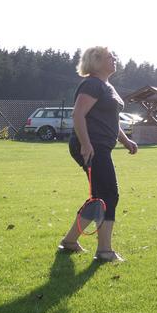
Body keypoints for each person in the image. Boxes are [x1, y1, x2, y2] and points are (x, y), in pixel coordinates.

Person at [58, 46, 137, 261]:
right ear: (97, 61)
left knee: (100, 196)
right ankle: (104, 251)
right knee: (109, 194)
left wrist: (125, 140)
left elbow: (109, 119)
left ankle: (70, 241)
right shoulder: (92, 83)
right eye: (110, 57)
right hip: (92, 146)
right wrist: (85, 144)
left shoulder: (105, 85)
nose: (114, 59)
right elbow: (78, 114)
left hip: (100, 147)